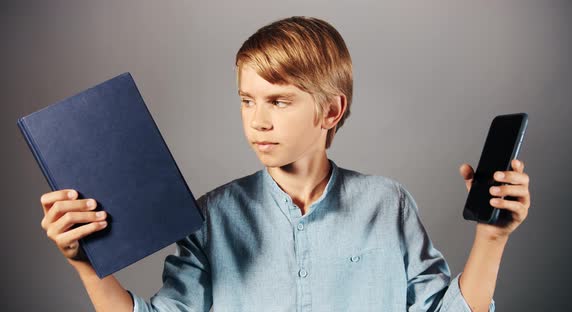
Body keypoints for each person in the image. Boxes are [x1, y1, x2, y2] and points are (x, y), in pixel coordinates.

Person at [39, 16, 531, 311]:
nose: (257, 121)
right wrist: (88, 266)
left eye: (278, 101)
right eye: (246, 100)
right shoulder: (210, 217)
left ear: (331, 110)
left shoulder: (389, 204)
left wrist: (492, 238)